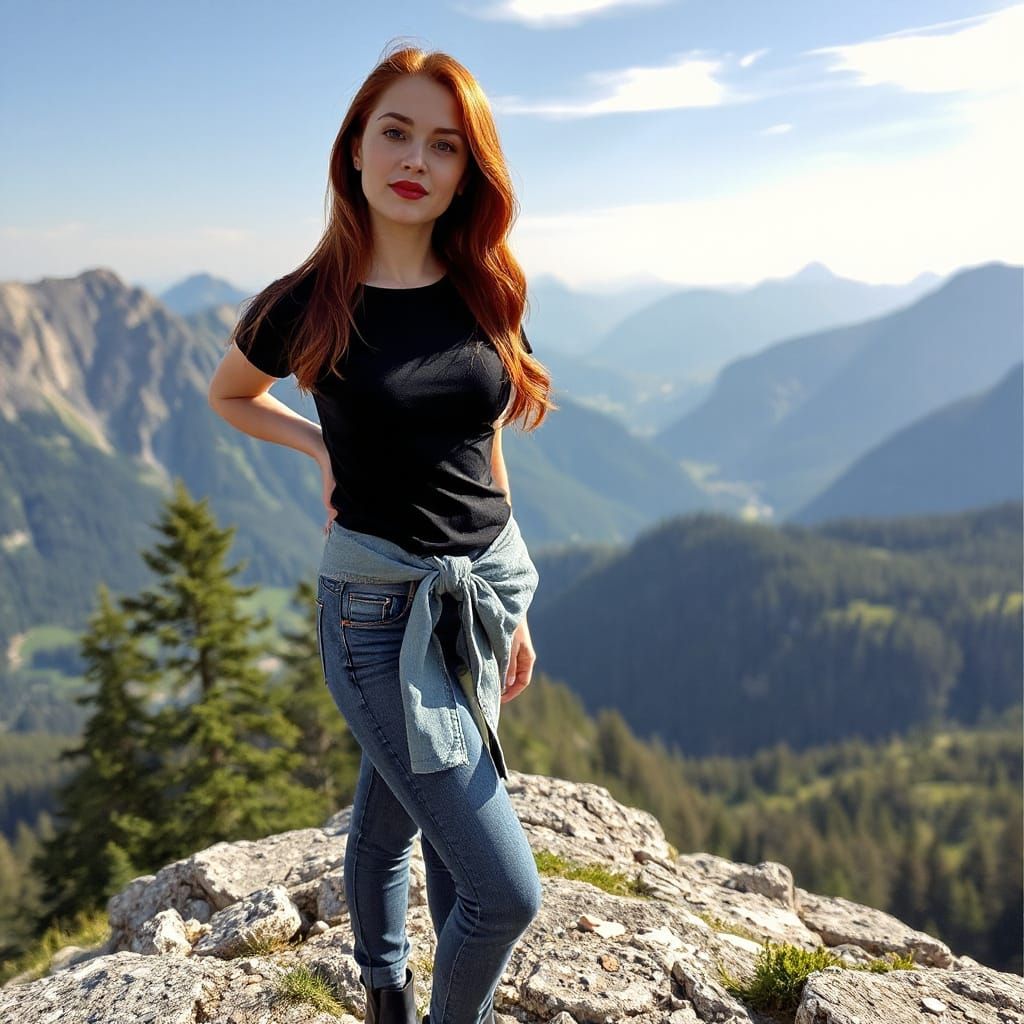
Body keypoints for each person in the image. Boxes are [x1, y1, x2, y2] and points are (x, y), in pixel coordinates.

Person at [207, 41, 556, 1024]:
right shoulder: (308, 300)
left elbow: (485, 445)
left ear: (468, 170)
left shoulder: (489, 286)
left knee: (397, 814)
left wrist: (512, 611)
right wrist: (316, 443)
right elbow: (231, 394)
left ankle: (384, 994)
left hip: (478, 596)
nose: (415, 159)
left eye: (444, 144)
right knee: (503, 893)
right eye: (395, 132)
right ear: (354, 147)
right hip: (375, 611)